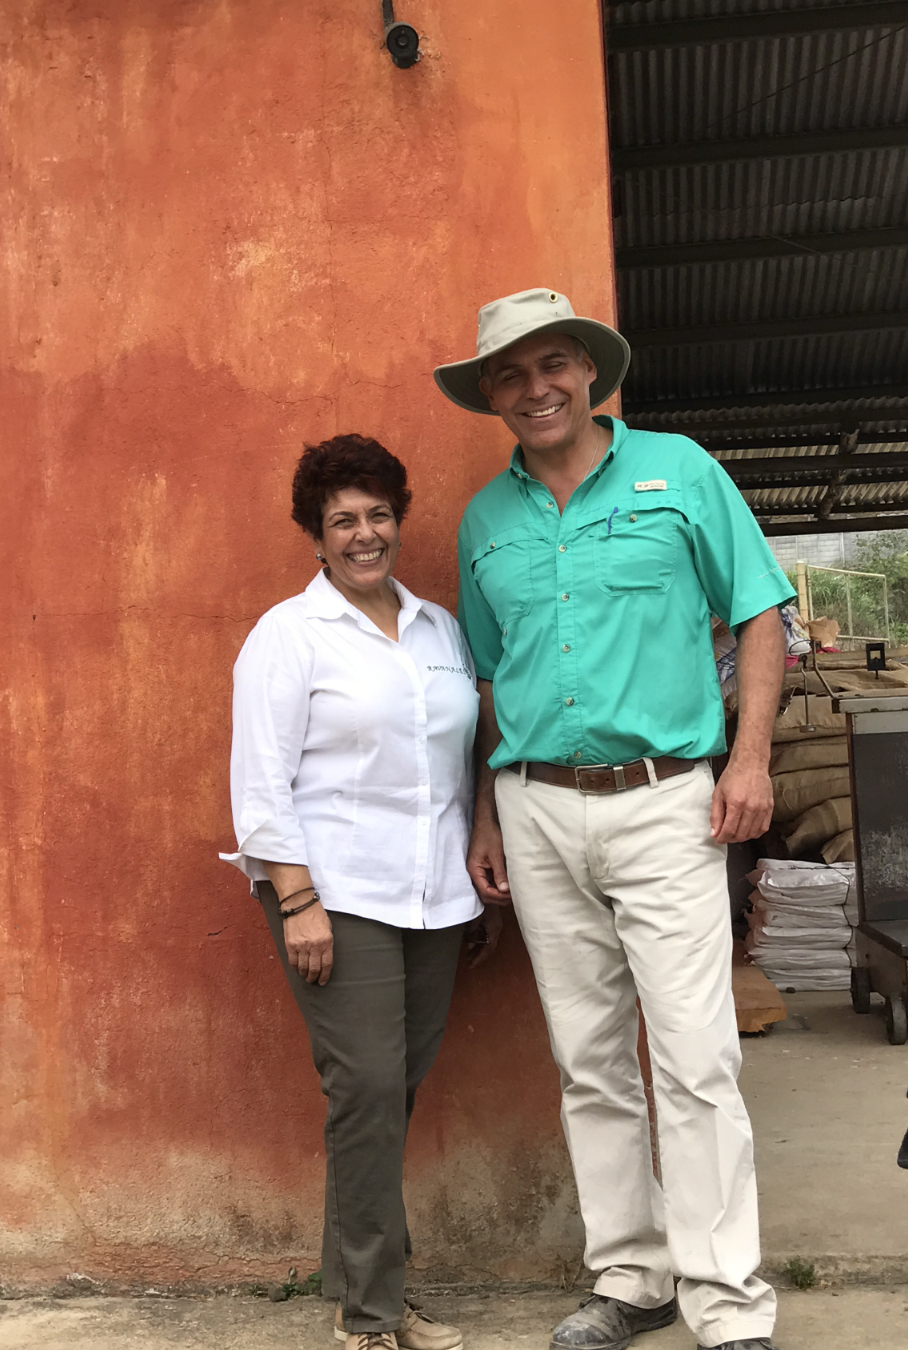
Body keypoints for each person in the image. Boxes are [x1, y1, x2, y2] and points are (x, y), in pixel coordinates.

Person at [433, 289, 795, 1350]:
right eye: (510, 373)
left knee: (694, 1055)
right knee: (588, 1058)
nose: (535, 387)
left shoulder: (679, 471)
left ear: (590, 371)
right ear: (491, 394)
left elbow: (759, 609)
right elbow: (488, 679)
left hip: (667, 800)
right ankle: (632, 1277)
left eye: (553, 363)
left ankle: (724, 1299)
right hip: (535, 806)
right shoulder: (485, 520)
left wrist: (750, 756)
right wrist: (485, 812)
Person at [222, 433, 498, 1350]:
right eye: (342, 519)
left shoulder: (439, 629)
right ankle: (375, 1316)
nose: (364, 533)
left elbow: (462, 758)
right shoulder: (289, 634)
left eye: (378, 514)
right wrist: (296, 900)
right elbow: (261, 782)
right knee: (369, 1089)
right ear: (316, 535)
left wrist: (477, 855)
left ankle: (357, 1287)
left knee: (387, 1097)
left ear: (398, 521)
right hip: (335, 894)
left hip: (433, 896)